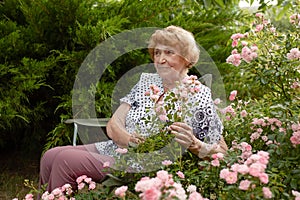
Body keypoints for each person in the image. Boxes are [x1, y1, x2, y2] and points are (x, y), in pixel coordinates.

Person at [39, 25, 228, 194]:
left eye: (169, 53)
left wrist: (195, 144)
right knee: (50, 156)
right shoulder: (146, 81)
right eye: (157, 53)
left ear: (187, 59)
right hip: (119, 150)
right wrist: (130, 140)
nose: (161, 59)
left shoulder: (198, 94)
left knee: (65, 160)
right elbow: (114, 124)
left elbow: (222, 151)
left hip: (146, 163)